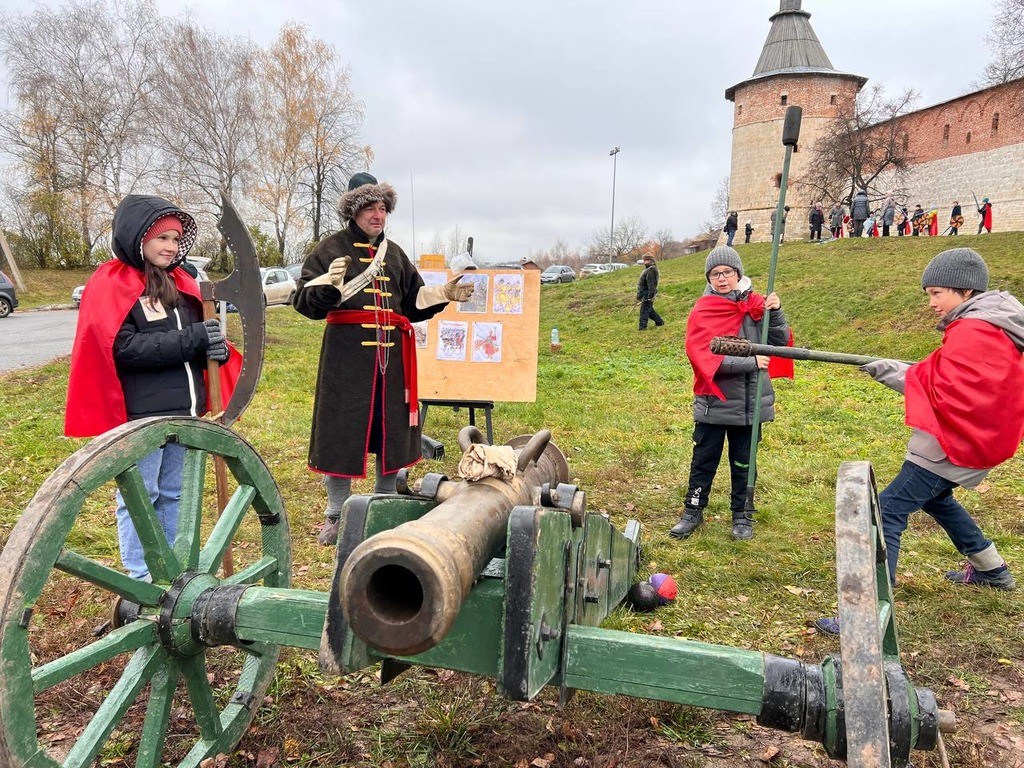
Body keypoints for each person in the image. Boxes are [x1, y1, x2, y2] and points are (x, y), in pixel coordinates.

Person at [815, 248, 1023, 635]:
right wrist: (897, 369)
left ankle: (866, 618)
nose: (931, 303)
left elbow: (948, 389)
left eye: (937, 293)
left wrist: (898, 375)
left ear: (965, 291)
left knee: (887, 510)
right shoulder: (993, 321)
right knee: (936, 499)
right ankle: (992, 570)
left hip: (952, 444)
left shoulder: (977, 329)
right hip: (975, 438)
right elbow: (946, 373)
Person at [293, 173, 474, 546]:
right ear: (353, 211)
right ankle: (335, 514)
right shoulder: (329, 249)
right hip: (346, 359)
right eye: (369, 209)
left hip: (391, 360)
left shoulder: (394, 254)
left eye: (382, 209)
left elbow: (412, 300)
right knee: (341, 432)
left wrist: (444, 292)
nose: (378, 216)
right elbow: (303, 300)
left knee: (390, 430)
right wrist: (327, 290)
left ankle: (384, 504)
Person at [65, 195, 235, 580]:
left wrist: (215, 350)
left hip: (183, 409)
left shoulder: (182, 284)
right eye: (162, 238)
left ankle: (170, 568)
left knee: (174, 493)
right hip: (143, 413)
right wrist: (191, 339)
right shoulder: (113, 284)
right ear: (137, 237)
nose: (171, 247)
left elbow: (196, 341)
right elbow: (122, 348)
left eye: (176, 239)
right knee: (141, 498)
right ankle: (141, 576)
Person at [672, 247, 791, 541]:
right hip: (715, 401)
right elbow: (703, 355)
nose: (722, 278)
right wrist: (749, 363)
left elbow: (779, 341)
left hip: (751, 403)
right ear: (709, 278)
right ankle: (693, 510)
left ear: (738, 273)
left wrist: (774, 312)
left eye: (727, 272)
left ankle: (742, 515)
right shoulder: (704, 309)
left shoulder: (755, 304)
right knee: (704, 460)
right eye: (715, 274)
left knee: (744, 462)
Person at [636, 253, 665, 330]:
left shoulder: (651, 270)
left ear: (651, 260)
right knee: (650, 310)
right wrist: (639, 295)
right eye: (644, 259)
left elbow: (651, 285)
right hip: (644, 293)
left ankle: (642, 328)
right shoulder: (647, 269)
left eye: (647, 259)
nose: (645, 261)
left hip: (647, 293)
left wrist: (650, 296)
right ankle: (660, 322)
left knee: (644, 311)